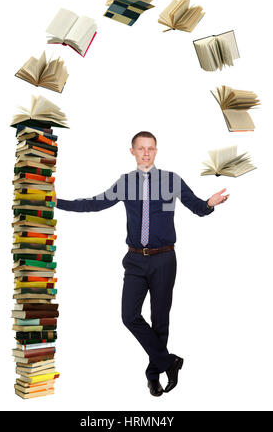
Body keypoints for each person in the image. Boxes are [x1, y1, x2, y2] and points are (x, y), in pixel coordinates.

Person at [54, 131, 229, 396]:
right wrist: (58, 202)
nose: (146, 153)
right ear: (132, 152)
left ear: (156, 151)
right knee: (129, 316)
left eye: (151, 148)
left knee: (160, 321)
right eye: (141, 148)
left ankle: (153, 376)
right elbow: (95, 204)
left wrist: (209, 203)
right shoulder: (126, 183)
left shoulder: (171, 180)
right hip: (135, 259)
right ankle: (169, 361)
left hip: (164, 259)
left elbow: (197, 207)